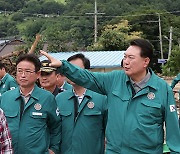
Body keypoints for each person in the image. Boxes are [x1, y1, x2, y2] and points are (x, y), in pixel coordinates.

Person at [40, 38, 180, 154]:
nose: (126, 61)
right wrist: (64, 66)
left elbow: (173, 127)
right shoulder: (114, 80)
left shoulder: (162, 89)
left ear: (145, 61)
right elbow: (88, 77)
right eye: (125, 57)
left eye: (131, 58)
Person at [0, 54, 61, 154]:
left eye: (28, 71)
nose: (23, 75)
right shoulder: (5, 98)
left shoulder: (47, 98)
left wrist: (53, 149)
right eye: (19, 71)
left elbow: (56, 126)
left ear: (38, 74)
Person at [56, 53, 107, 154]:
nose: (72, 73)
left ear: (87, 72)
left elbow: (110, 133)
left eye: (75, 69)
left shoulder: (102, 98)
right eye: (68, 69)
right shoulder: (60, 98)